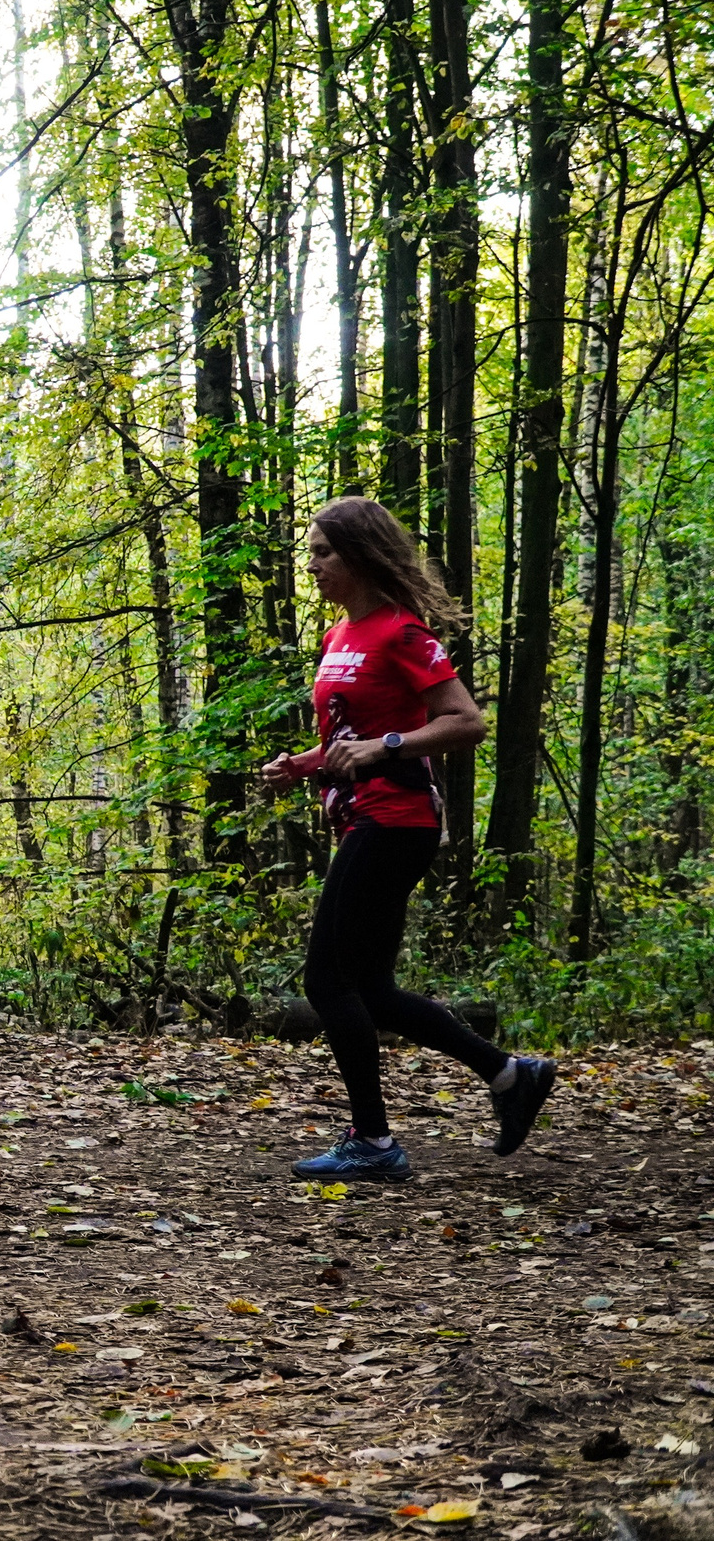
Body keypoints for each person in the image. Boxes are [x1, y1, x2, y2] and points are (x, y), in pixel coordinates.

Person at [260, 496, 556, 1182]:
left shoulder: (402, 633)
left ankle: (373, 1140)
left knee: (327, 978)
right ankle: (512, 1074)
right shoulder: (339, 637)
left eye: (323, 553)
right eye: (310, 553)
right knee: (371, 984)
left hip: (399, 820)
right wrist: (300, 766)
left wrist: (387, 744)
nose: (312, 566)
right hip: (362, 817)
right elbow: (345, 741)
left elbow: (466, 722)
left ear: (360, 555)